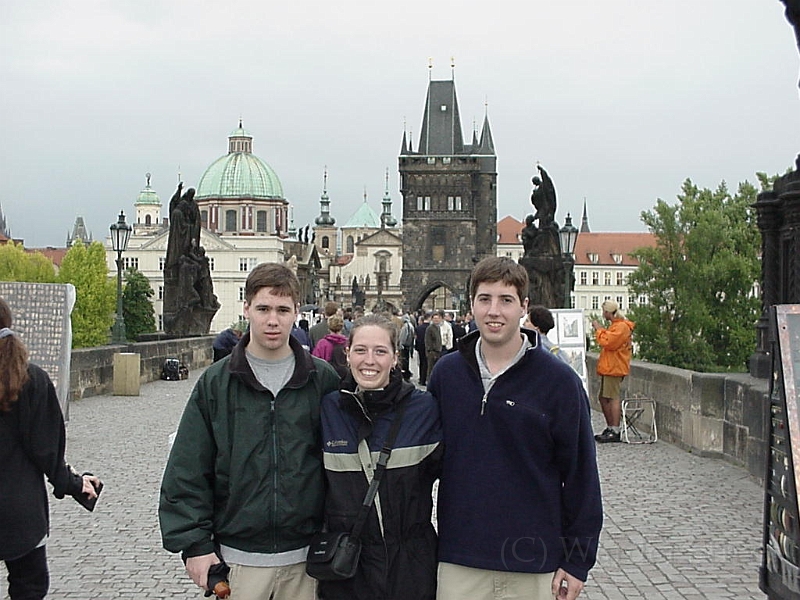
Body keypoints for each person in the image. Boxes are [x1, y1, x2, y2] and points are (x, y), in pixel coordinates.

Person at [159, 262, 341, 600]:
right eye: (264, 309)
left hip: (307, 560)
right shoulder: (217, 382)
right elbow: (187, 469)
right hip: (237, 561)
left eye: (282, 310)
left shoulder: (323, 379)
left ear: (296, 312)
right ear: (247, 309)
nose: (273, 320)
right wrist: (195, 545)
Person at [429, 257, 602, 600]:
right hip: (461, 559)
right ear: (472, 304)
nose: (494, 311)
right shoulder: (447, 375)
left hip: (534, 563)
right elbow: (422, 465)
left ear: (523, 307)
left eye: (506, 300)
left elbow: (581, 474)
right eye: (485, 299)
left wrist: (578, 561)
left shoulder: (559, 381)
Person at [318, 314, 442, 600]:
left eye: (380, 351)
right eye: (360, 350)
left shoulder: (423, 410)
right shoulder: (329, 409)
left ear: (396, 357)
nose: (369, 361)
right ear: (347, 354)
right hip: (347, 567)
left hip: (411, 565)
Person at [0, 298, 101, 600]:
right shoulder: (31, 380)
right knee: (29, 586)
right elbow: (46, 451)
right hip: (18, 508)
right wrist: (73, 483)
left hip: (19, 507)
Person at [592, 299, 635, 444]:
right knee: (604, 398)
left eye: (604, 311)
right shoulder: (616, 326)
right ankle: (611, 427)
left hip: (614, 367)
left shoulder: (621, 327)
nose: (602, 314)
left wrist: (598, 329)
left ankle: (615, 429)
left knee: (612, 397)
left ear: (608, 312)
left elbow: (609, 342)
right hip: (609, 366)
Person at [424, 312, 443, 379]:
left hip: (438, 351)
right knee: (431, 369)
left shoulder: (438, 328)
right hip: (432, 352)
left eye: (437, 319)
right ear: (432, 319)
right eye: (435, 318)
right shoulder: (430, 328)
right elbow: (427, 341)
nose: (436, 320)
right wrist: (431, 351)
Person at [397, 313, 415, 380]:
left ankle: (405, 373)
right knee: (407, 360)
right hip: (409, 345)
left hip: (405, 346)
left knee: (404, 360)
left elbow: (403, 337)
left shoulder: (405, 326)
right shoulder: (410, 325)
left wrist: (401, 345)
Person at [415, 313, 431, 385]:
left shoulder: (418, 328)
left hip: (420, 347)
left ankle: (421, 378)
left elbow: (416, 338)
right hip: (427, 347)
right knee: (426, 363)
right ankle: (424, 379)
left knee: (421, 363)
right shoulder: (430, 328)